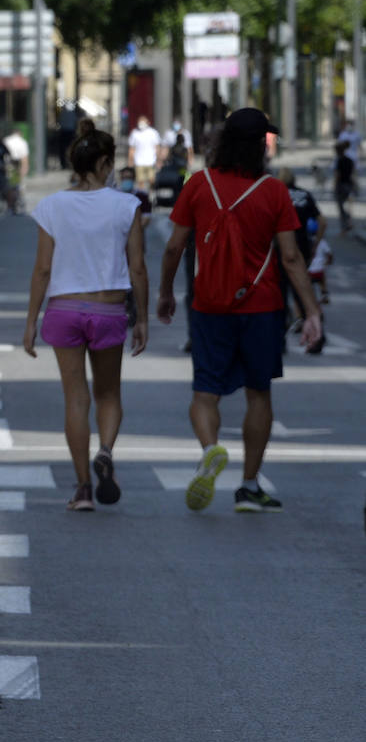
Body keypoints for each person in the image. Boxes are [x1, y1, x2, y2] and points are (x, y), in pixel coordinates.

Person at [157, 108, 322, 513]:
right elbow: (291, 258)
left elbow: (175, 246)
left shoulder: (199, 185)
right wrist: (311, 311)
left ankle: (210, 448)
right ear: (259, 146)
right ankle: (249, 486)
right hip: (262, 306)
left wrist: (165, 292)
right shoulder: (273, 192)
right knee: (259, 393)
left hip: (209, 304)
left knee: (205, 391)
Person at [23, 120, 149, 511]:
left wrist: (31, 321)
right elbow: (138, 267)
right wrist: (141, 318)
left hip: (63, 310)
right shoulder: (127, 205)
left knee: (75, 399)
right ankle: (106, 450)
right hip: (108, 309)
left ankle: (81, 489)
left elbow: (42, 269)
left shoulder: (52, 206)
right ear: (106, 163)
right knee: (108, 393)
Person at [277, 168, 326, 330]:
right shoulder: (304, 195)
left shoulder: (277, 195)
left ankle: (283, 321)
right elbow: (322, 221)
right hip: (303, 244)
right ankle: (308, 315)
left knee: (281, 285)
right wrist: (316, 243)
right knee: (301, 280)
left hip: (281, 245)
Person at [127, 116, 162, 191]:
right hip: (139, 161)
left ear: (148, 122)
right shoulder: (135, 133)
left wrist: (158, 159)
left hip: (151, 160)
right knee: (140, 181)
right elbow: (132, 148)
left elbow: (157, 147)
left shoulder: (153, 133)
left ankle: (151, 194)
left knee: (152, 180)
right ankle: (143, 196)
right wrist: (130, 160)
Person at [333, 139, 355, 236]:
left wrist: (334, 185)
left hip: (341, 185)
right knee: (347, 204)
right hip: (349, 184)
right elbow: (353, 174)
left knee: (341, 207)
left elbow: (337, 174)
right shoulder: (350, 160)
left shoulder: (339, 160)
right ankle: (349, 221)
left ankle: (344, 227)